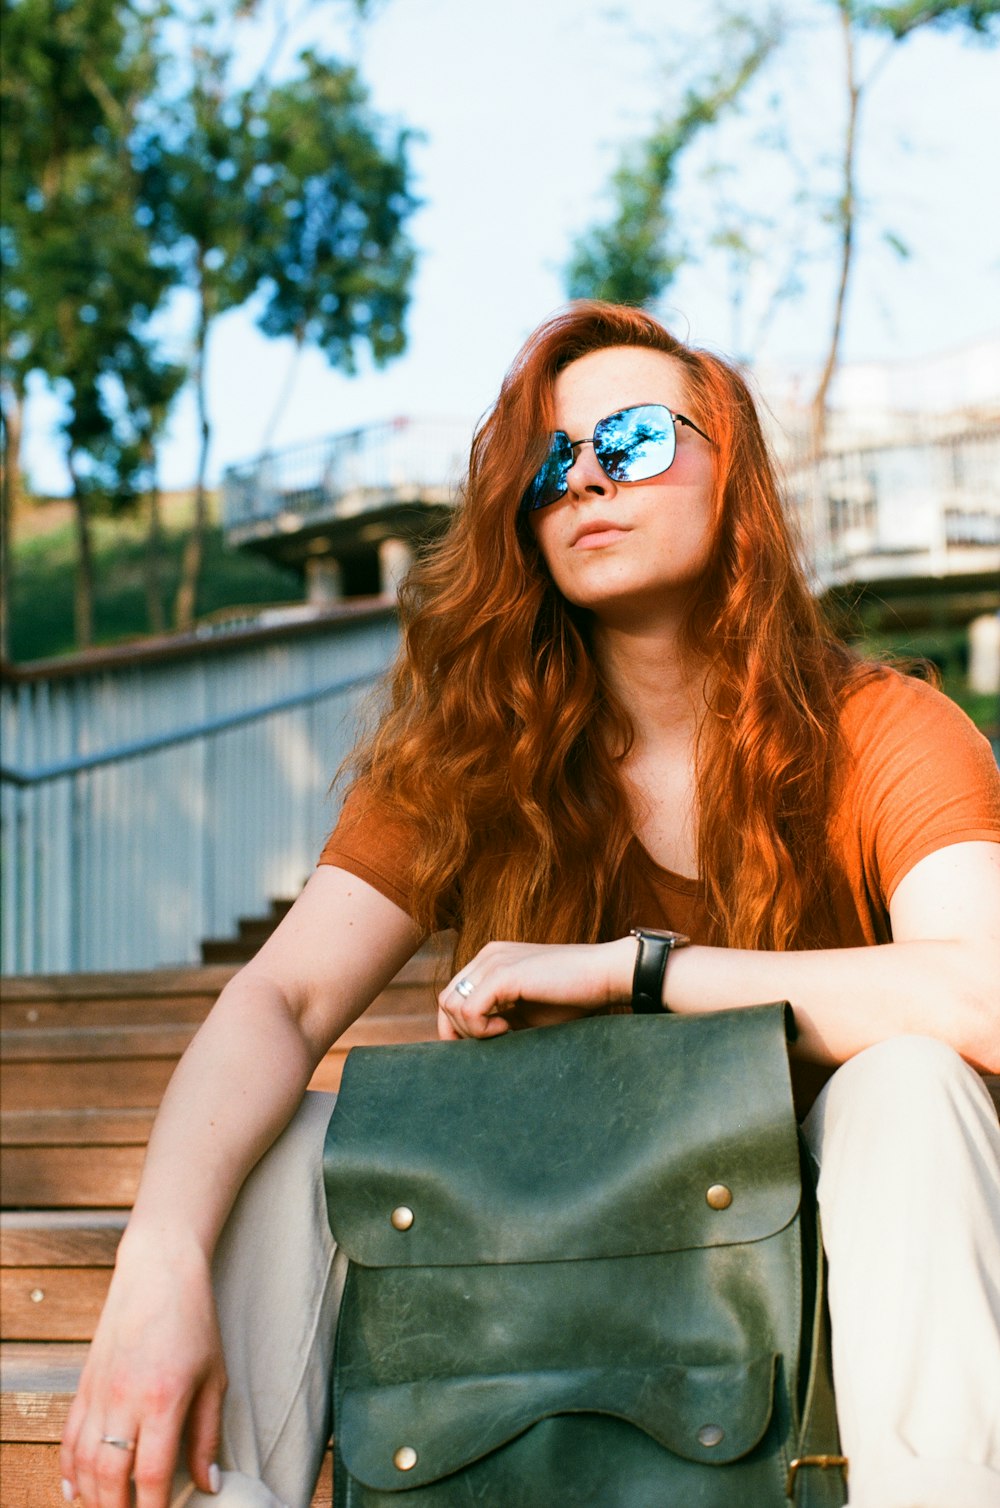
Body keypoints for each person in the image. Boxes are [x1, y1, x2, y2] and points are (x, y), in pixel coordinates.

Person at [60, 302, 1000, 1508]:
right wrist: (157, 1256)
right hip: (530, 1257)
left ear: (736, 472)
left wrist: (631, 970)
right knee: (278, 1146)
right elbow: (282, 999)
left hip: (799, 1274)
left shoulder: (882, 729)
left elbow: (980, 993)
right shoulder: (472, 756)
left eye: (635, 439)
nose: (588, 476)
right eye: (551, 459)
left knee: (911, 1082)